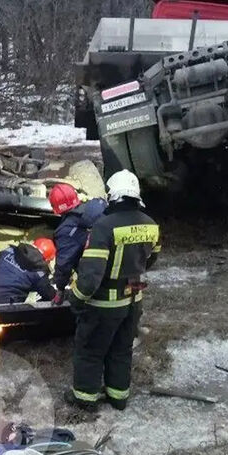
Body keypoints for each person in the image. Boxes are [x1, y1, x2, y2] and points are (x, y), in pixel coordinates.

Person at [64, 170, 161, 411]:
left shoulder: (104, 226)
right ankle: (118, 397)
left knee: (90, 350)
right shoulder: (151, 225)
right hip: (133, 301)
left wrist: (75, 298)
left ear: (113, 195)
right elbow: (151, 258)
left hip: (103, 305)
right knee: (121, 349)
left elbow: (91, 275)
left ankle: (85, 399)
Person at [48, 184, 107, 304]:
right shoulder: (99, 207)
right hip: (120, 268)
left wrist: (60, 288)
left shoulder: (66, 231)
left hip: (94, 277)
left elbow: (64, 264)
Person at [0, 239, 57, 306]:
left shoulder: (8, 251)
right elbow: (49, 296)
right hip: (3, 312)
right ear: (47, 260)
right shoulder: (39, 272)